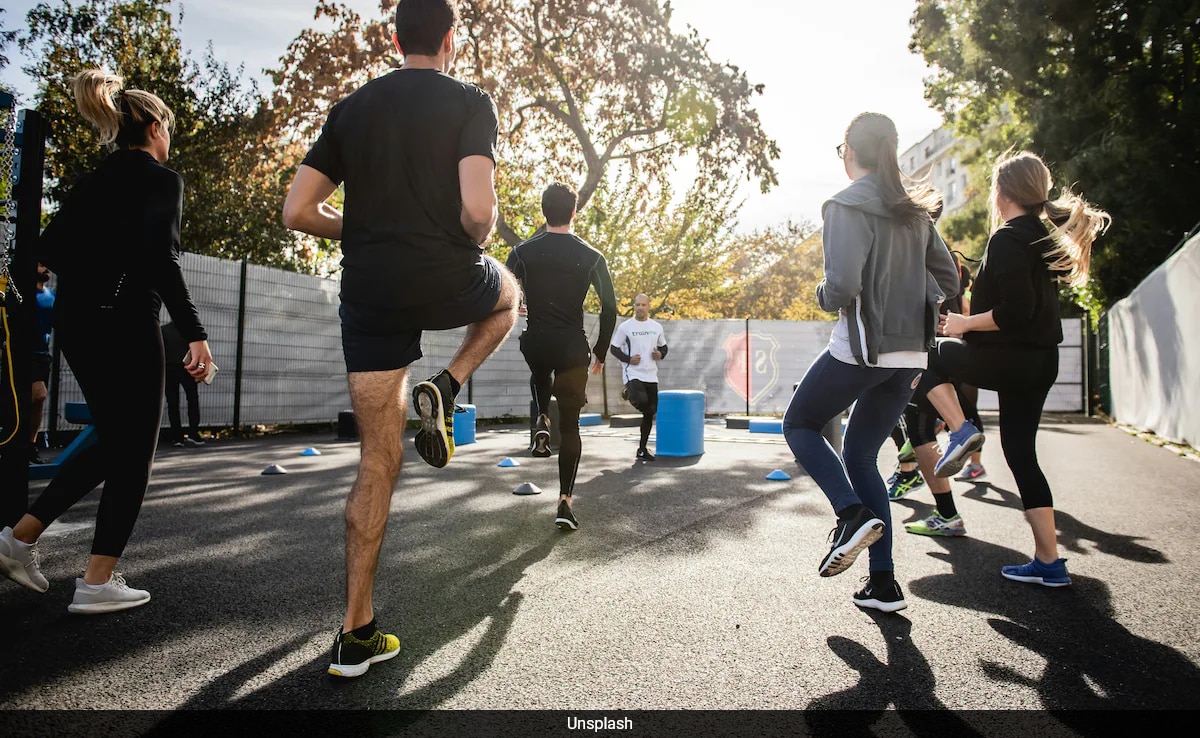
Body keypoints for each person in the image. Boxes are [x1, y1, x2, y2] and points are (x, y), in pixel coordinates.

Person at [282, 0, 518, 679]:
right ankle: (446, 384)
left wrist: (361, 229)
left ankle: (356, 631)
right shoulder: (471, 100)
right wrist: (469, 238)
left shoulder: (352, 108)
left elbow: (299, 210)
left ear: (395, 38)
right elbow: (478, 210)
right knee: (508, 298)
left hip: (371, 291)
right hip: (448, 274)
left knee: (376, 462)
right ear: (449, 42)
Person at [0, 70, 213, 614]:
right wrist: (195, 334)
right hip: (124, 322)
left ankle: (19, 538)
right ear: (155, 126)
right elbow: (163, 260)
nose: (171, 140)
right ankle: (96, 581)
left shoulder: (97, 180)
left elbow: (47, 249)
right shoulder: (162, 180)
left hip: (78, 324)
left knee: (113, 438)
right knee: (134, 450)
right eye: (170, 128)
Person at [781, 112, 959, 613]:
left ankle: (849, 513)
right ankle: (884, 584)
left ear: (850, 152)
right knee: (860, 456)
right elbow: (949, 280)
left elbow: (841, 288)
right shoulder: (916, 213)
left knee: (798, 423)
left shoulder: (843, 204)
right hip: (909, 356)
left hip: (863, 347)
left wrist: (821, 293)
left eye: (841, 151)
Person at [920, 150, 1110, 587]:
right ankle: (1049, 561)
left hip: (1010, 358)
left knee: (926, 356)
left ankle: (961, 429)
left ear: (1002, 192)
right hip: (1040, 361)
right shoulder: (1040, 236)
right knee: (1021, 455)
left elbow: (1016, 311)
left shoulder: (1007, 237)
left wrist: (966, 323)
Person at [506, 183, 617, 531]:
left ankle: (540, 416)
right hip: (572, 346)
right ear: (574, 211)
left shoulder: (522, 252)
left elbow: (504, 291)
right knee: (571, 427)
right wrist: (600, 351)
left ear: (543, 210)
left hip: (536, 340)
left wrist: (519, 302)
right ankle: (565, 502)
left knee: (539, 370)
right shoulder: (592, 256)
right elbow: (611, 308)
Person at [610, 294, 668, 461]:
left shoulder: (656, 327)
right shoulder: (625, 327)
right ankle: (629, 390)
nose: (640, 308)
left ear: (649, 306)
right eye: (637, 305)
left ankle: (642, 450)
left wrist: (660, 354)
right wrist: (628, 359)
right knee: (642, 402)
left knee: (650, 412)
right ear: (634, 307)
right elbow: (614, 349)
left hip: (651, 374)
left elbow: (664, 347)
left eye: (643, 305)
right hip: (633, 373)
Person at [161, 320, 203, 447]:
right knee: (192, 400)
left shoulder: (163, 330)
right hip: (187, 370)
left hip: (169, 370)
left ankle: (177, 437)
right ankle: (193, 433)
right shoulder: (190, 330)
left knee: (173, 404)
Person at [29, 264, 55, 464]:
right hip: (23, 354)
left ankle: (30, 445)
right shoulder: (18, 295)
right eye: (40, 264)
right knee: (38, 394)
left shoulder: (51, 296)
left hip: (43, 355)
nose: (45, 268)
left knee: (38, 403)